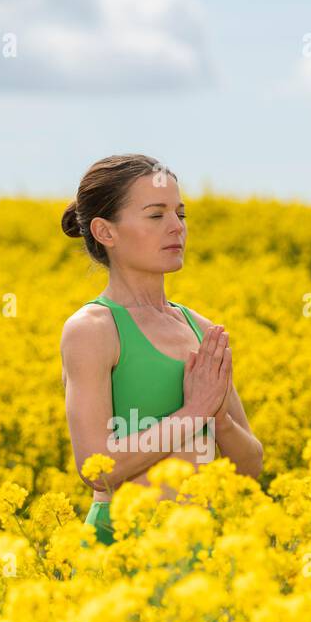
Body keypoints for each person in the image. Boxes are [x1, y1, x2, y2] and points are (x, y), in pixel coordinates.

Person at [60, 153, 263, 546]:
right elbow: (95, 467)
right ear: (105, 231)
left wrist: (218, 418)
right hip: (122, 545)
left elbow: (250, 469)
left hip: (200, 548)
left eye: (180, 214)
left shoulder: (201, 329)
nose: (177, 228)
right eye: (156, 216)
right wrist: (194, 413)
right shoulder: (93, 330)